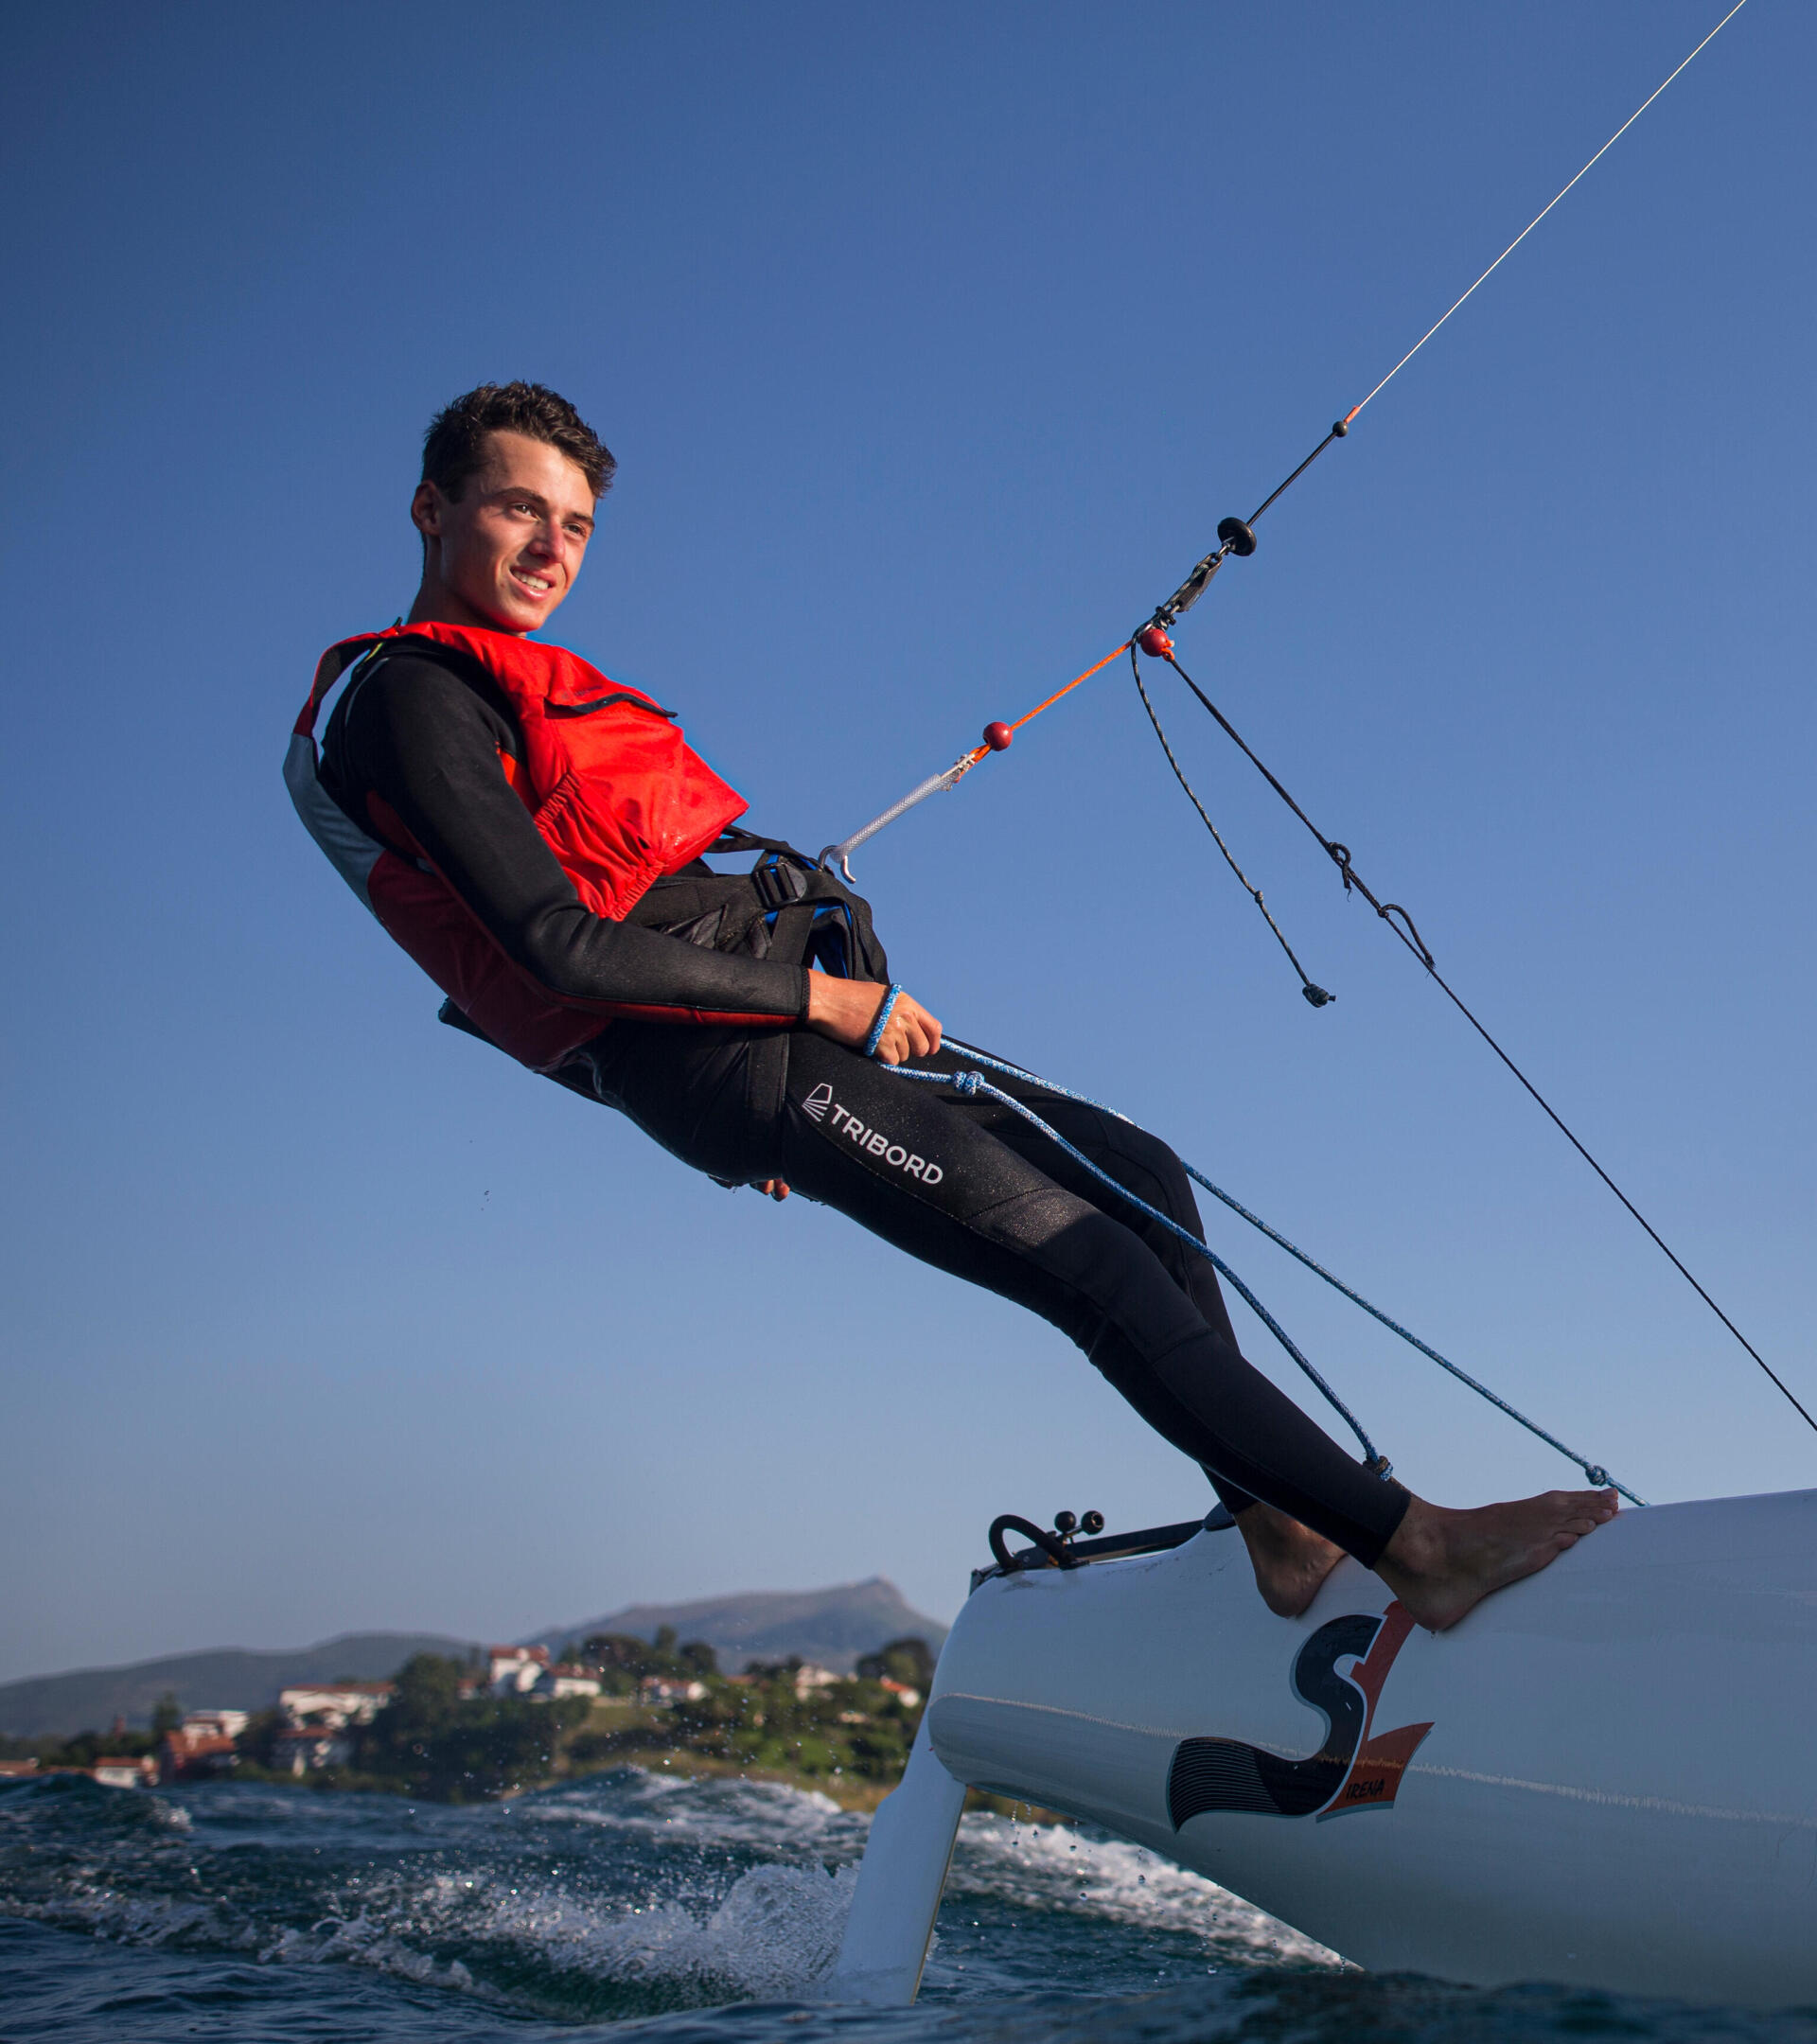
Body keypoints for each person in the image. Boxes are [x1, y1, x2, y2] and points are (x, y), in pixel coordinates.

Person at [287, 381, 1616, 1632]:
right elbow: (558, 948)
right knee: (1086, 1263)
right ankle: (1416, 1549)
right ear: (432, 508)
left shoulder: (483, 680)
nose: (550, 547)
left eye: (575, 525)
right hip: (745, 1055)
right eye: (520, 509)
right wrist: (824, 1004)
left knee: (1136, 1175)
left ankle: (1278, 1525)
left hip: (770, 1031)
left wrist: (813, 1003)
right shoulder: (417, 694)